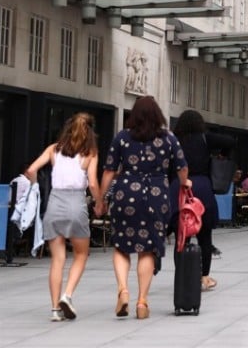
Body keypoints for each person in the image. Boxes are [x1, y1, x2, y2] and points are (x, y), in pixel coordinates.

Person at [97, 96, 189, 320]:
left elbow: (109, 170)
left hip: (126, 193)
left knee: (121, 245)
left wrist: (100, 199)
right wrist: (184, 183)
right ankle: (142, 302)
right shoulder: (169, 138)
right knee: (147, 249)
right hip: (156, 195)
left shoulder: (122, 138)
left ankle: (123, 290)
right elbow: (182, 167)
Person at [26, 112, 103, 322]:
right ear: (90, 133)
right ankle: (67, 296)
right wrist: (99, 203)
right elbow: (94, 184)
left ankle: (54, 309)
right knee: (80, 255)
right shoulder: (90, 152)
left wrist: (34, 188)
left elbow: (31, 170)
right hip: (76, 203)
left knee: (57, 259)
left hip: (54, 203)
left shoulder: (53, 149)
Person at [168, 109, 235, 292]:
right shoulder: (205, 138)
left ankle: (183, 275)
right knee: (205, 236)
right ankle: (204, 276)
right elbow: (230, 141)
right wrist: (222, 155)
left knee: (182, 237)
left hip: (179, 187)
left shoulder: (173, 139)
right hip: (202, 187)